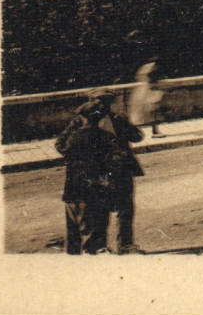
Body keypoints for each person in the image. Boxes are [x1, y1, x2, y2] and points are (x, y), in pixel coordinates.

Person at [55, 93, 144, 254]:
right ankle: (100, 247)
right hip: (98, 174)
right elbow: (60, 145)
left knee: (123, 208)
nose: (102, 105)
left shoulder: (117, 119)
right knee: (99, 211)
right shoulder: (79, 123)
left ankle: (124, 245)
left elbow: (137, 136)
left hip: (118, 170)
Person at [129, 60, 164, 138]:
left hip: (146, 90)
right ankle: (150, 131)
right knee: (146, 112)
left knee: (152, 112)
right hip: (146, 90)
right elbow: (150, 77)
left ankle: (155, 131)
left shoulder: (146, 67)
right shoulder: (150, 67)